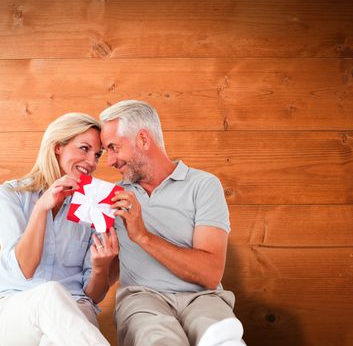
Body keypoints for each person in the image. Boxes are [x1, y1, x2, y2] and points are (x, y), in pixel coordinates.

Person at [99, 100, 246, 346]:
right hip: (142, 298)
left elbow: (210, 274)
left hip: (203, 297)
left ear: (143, 140)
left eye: (114, 148)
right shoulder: (110, 198)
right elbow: (103, 275)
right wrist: (101, 262)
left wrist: (142, 236)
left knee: (222, 337)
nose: (110, 161)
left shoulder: (203, 185)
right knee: (158, 338)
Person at [0, 113, 118, 346]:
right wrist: (40, 209)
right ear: (58, 147)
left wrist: (101, 267)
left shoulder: (95, 205)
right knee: (50, 293)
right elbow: (24, 270)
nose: (91, 161)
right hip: (17, 309)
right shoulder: (9, 196)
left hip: (77, 308)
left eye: (97, 154)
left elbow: (94, 296)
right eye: (84, 148)